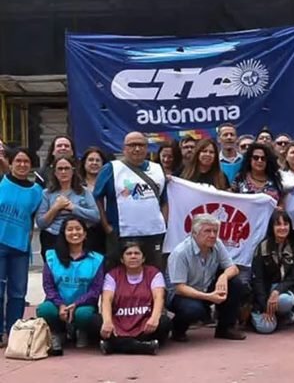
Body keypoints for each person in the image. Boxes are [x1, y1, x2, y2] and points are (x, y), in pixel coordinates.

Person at [167, 214, 248, 341]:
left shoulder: (217, 244)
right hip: (182, 295)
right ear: (194, 233)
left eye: (215, 231)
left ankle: (225, 328)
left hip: (206, 288)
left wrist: (223, 277)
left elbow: (233, 268)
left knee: (235, 283)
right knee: (194, 310)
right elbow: (179, 288)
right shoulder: (180, 253)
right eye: (207, 231)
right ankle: (177, 329)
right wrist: (208, 297)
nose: (212, 235)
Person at [93, 132, 168, 269]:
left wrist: (164, 222)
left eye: (141, 145)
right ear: (124, 148)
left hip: (153, 234)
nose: (137, 149)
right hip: (122, 234)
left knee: (154, 272)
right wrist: (106, 226)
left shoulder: (157, 169)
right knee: (119, 273)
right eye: (132, 145)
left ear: (147, 148)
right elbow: (97, 197)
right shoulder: (111, 169)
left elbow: (164, 200)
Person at [37, 217, 104, 354]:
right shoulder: (51, 257)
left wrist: (76, 304)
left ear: (85, 234)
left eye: (78, 229)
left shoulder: (96, 259)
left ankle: (80, 331)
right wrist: (61, 304)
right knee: (44, 310)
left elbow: (96, 290)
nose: (74, 233)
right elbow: (48, 287)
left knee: (84, 315)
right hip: (57, 304)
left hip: (83, 305)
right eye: (70, 229)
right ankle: (57, 332)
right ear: (64, 233)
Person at [94, 241, 170, 355]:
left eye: (137, 253)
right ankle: (143, 347)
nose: (133, 256)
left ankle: (114, 346)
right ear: (122, 259)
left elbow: (158, 297)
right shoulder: (112, 275)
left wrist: (154, 318)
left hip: (145, 323)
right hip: (118, 322)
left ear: (143, 258)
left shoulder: (154, 273)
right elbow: (106, 300)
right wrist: (108, 322)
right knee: (94, 321)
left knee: (164, 322)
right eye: (129, 254)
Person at [0, 147, 43, 342]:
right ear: (10, 163)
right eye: (18, 161)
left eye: (26, 161)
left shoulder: (37, 191)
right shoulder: (1, 182)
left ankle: (14, 333)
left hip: (20, 248)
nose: (22, 165)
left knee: (18, 293)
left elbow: (34, 219)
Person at [37, 155, 100, 259]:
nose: (63, 172)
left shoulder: (84, 192)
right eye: (60, 169)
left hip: (78, 237)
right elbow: (41, 223)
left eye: (66, 168)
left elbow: (96, 216)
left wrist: (73, 208)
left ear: (73, 171)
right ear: (55, 172)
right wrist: (55, 208)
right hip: (53, 237)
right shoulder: (46, 194)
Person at [250, 209, 294, 334]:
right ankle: (257, 315)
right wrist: (265, 306)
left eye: (285, 224)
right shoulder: (262, 247)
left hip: (281, 292)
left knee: (285, 301)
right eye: (278, 224)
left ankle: (283, 314)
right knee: (266, 328)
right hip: (263, 293)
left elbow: (293, 277)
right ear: (271, 227)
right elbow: (257, 280)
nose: (282, 228)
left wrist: (277, 291)